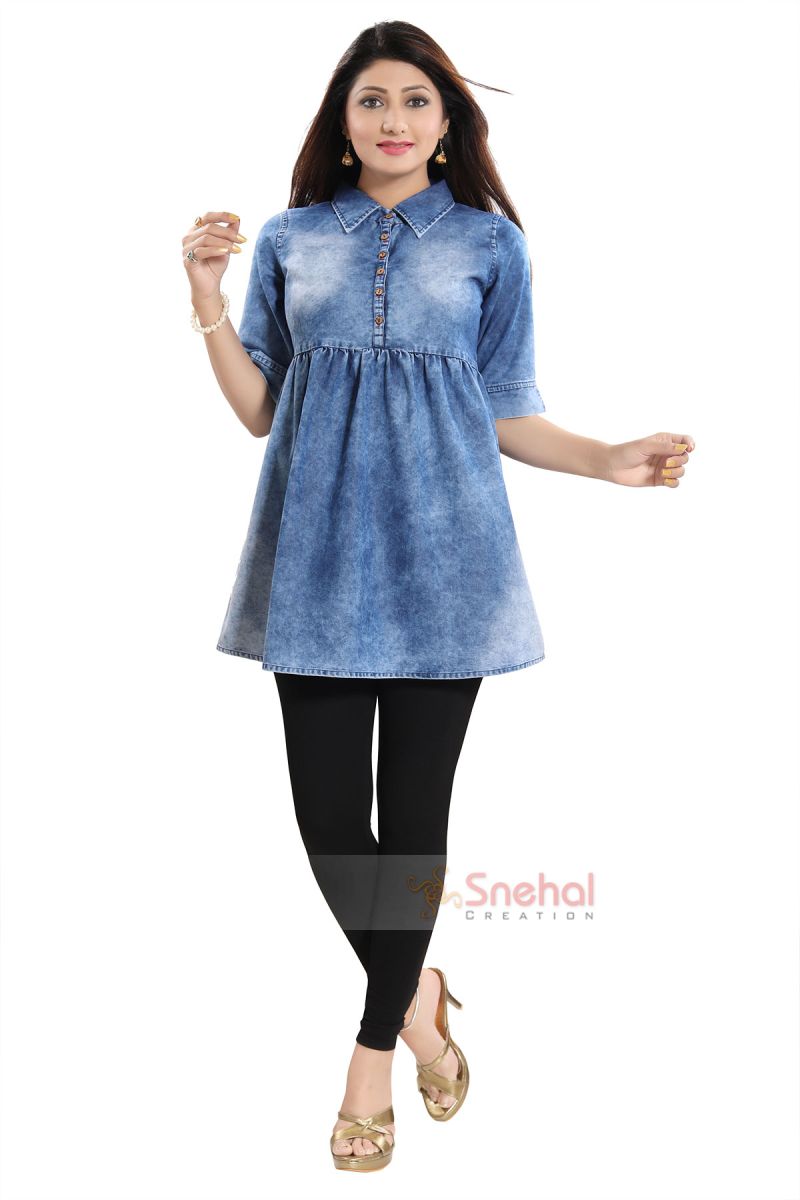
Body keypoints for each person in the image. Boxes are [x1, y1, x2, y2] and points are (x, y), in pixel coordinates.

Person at [181, 20, 696, 1174]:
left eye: (416, 100)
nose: (394, 120)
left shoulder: (489, 244)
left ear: (448, 123)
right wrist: (205, 293)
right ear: (342, 118)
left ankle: (372, 1054)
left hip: (447, 561)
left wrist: (605, 458)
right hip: (313, 561)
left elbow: (505, 406)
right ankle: (420, 997)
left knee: (409, 821)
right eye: (372, 99)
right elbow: (260, 411)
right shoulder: (291, 237)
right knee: (330, 828)